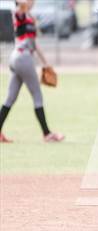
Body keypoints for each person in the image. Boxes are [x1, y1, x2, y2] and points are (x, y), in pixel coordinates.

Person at [0, 0, 64, 143]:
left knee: (10, 98)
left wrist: (45, 63)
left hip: (18, 58)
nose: (33, 2)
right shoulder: (19, 13)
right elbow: (18, 9)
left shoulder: (29, 16)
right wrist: (22, 3)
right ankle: (47, 134)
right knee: (37, 96)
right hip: (23, 58)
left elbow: (34, 44)